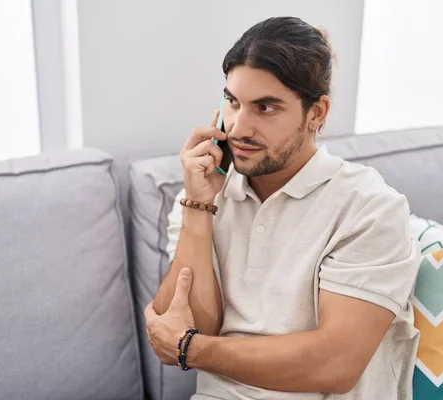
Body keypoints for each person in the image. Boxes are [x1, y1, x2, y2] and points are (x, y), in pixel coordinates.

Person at [144, 16, 421, 400]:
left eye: (266, 107)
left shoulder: (369, 208)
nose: (239, 127)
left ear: (316, 113)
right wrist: (198, 206)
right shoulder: (203, 193)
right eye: (232, 102)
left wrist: (190, 348)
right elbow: (183, 324)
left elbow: (334, 365)